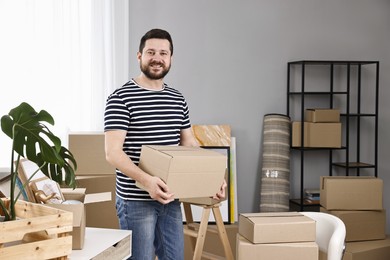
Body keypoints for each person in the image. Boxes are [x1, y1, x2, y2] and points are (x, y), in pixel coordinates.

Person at [104, 28, 227, 260]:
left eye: (163, 53)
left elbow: (189, 144)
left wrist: (213, 178)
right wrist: (148, 181)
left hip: (171, 198)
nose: (157, 58)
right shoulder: (121, 97)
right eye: (151, 52)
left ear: (170, 58)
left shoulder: (177, 99)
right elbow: (113, 153)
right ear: (139, 55)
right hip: (136, 200)